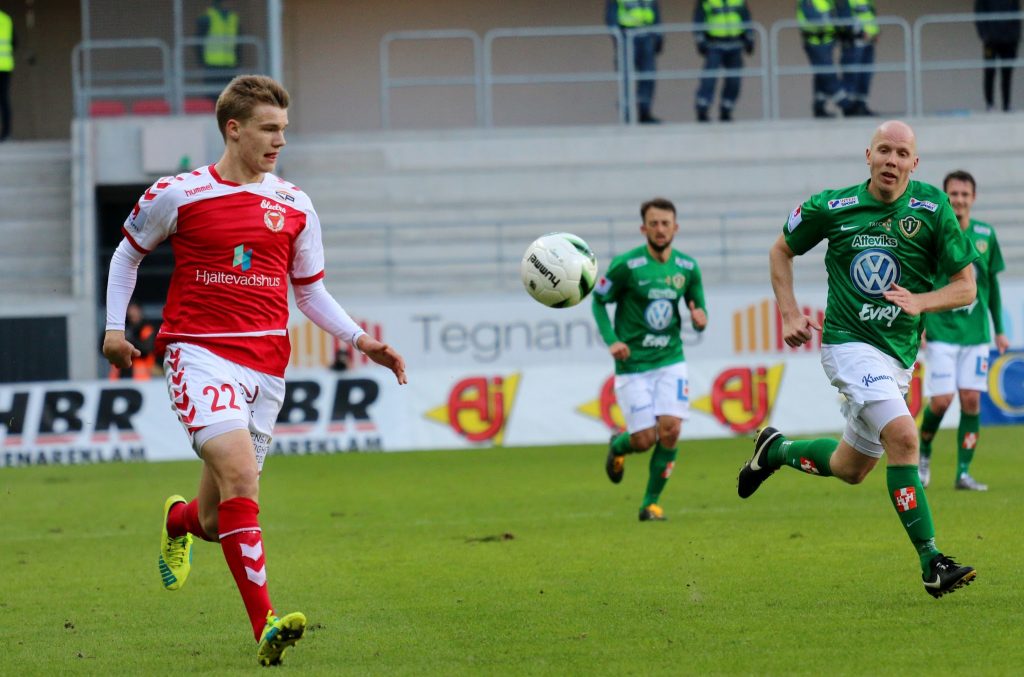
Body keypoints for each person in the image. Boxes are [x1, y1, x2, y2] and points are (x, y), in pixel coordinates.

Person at [102, 74, 407, 667]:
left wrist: (361, 340)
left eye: (284, 130)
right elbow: (127, 254)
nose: (280, 142)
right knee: (243, 475)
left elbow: (310, 291)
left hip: (267, 368)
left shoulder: (295, 203)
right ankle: (266, 624)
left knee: (216, 521)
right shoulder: (179, 194)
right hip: (198, 353)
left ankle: (178, 519)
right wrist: (115, 329)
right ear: (233, 129)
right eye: (269, 129)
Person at [737, 120, 980, 599]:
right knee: (905, 437)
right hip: (847, 344)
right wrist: (789, 313)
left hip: (897, 356)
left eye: (901, 153)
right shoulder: (832, 206)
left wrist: (921, 301)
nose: (892, 160)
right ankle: (933, 561)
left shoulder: (933, 210)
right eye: (883, 151)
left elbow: (965, 285)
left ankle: (775, 449)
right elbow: (781, 250)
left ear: (915, 162)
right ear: (867, 155)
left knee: (852, 468)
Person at [592, 197, 708, 521]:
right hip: (633, 364)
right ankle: (619, 446)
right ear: (643, 228)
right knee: (643, 440)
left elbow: (698, 305)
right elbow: (598, 302)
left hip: (670, 359)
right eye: (653, 224)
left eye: (665, 223)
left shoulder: (687, 267)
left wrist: (700, 317)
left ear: (676, 227)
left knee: (670, 430)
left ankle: (650, 504)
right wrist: (612, 341)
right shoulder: (626, 266)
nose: (660, 229)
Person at [918, 170, 1008, 492]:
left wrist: (999, 328)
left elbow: (991, 285)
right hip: (941, 330)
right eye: (953, 194)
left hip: (976, 334)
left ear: (973, 198)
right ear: (945, 197)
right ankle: (923, 452)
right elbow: (923, 280)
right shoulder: (934, 232)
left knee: (971, 400)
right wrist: (921, 323)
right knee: (941, 402)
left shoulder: (986, 234)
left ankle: (964, 473)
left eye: (964, 194)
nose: (958, 200)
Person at [693, 0, 754, 123]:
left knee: (734, 80)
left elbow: (746, 18)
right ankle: (702, 110)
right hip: (714, 44)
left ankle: (726, 110)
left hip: (735, 44)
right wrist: (700, 41)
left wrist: (750, 38)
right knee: (709, 79)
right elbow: (698, 19)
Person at [606, 0, 663, 124]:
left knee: (648, 75)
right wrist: (618, 39)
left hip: (647, 36)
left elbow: (656, 14)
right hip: (627, 37)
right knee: (626, 76)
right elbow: (611, 17)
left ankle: (644, 112)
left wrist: (659, 37)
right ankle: (626, 113)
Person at [797, 0, 854, 118]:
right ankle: (846, 105)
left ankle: (819, 106)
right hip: (815, 41)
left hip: (828, 41)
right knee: (827, 74)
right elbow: (814, 19)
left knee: (821, 75)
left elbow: (840, 12)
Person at [975, 0, 1022, 112]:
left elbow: (1017, 16)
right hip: (991, 40)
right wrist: (984, 35)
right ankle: (990, 104)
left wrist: (1016, 37)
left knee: (1007, 73)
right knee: (989, 71)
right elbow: (979, 15)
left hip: (1009, 40)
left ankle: (1006, 105)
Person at [839, 0, 878, 116]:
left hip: (869, 42)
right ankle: (849, 109)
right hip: (854, 43)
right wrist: (859, 33)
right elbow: (844, 19)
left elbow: (871, 16)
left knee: (865, 75)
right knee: (851, 76)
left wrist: (876, 32)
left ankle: (862, 106)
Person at [197, 0, 240, 99]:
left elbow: (238, 41)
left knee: (229, 94)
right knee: (213, 94)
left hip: (229, 62)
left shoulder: (233, 18)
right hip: (212, 62)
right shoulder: (207, 17)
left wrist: (238, 60)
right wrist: (201, 60)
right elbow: (198, 41)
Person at [108, 302, 157, 380]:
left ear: (140, 312)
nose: (132, 314)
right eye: (130, 311)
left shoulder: (146, 328)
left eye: (135, 310)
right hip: (120, 374)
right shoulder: (122, 328)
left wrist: (130, 340)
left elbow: (146, 348)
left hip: (140, 376)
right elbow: (106, 346)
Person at [0, 7, 14, 141]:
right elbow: (15, 42)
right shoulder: (6, 19)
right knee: (4, 100)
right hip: (5, 66)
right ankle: (6, 134)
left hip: (4, 65)